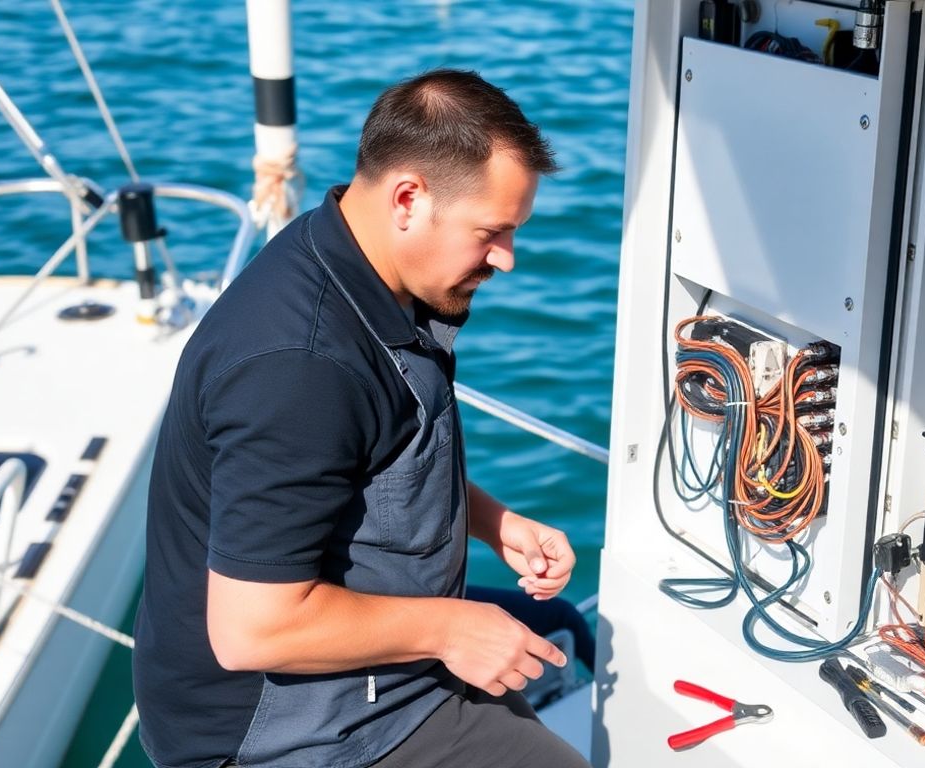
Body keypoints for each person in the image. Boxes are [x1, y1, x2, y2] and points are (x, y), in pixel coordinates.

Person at [132, 69, 591, 768]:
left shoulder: (357, 261)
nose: (506, 259)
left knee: (557, 627)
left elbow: (371, 461)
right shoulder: (301, 367)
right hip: (279, 727)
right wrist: (450, 630)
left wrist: (495, 522)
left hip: (373, 656)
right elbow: (252, 630)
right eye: (491, 232)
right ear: (408, 198)